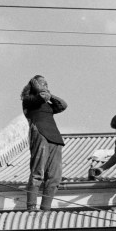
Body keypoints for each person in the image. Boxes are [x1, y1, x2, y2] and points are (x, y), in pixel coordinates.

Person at [21, 75, 68, 211]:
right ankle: (31, 208)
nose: (45, 86)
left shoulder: (48, 104)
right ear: (34, 85)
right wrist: (37, 86)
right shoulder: (29, 100)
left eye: (46, 84)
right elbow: (42, 97)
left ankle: (45, 209)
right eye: (41, 83)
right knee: (37, 173)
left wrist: (50, 94)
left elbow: (63, 105)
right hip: (40, 133)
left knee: (54, 177)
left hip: (55, 138)